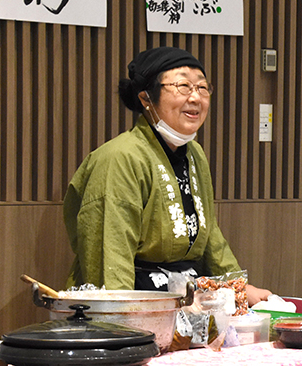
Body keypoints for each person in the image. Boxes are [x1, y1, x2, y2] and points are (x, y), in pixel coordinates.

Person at [63, 46, 271, 304]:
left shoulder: (194, 153)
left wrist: (239, 290)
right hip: (135, 300)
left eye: (202, 88)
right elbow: (110, 258)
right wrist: (123, 320)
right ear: (146, 98)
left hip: (187, 301)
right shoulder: (120, 158)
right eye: (183, 86)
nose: (195, 98)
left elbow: (210, 237)